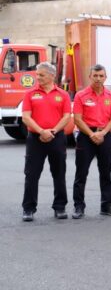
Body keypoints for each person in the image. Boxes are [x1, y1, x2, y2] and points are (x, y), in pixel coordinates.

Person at [21, 62, 71, 222]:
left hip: (56, 137)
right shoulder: (30, 94)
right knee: (31, 174)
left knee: (59, 173)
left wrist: (53, 131)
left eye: (41, 75)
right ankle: (28, 209)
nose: (38, 77)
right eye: (37, 74)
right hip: (35, 139)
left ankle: (60, 207)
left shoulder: (62, 94)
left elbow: (66, 117)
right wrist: (42, 131)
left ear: (51, 76)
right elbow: (26, 117)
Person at [72, 64, 111, 218]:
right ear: (90, 77)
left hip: (105, 135)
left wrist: (104, 133)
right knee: (81, 174)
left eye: (101, 76)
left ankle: (106, 206)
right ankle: (79, 207)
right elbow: (78, 119)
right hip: (86, 136)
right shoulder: (81, 95)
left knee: (106, 173)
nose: (98, 79)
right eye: (95, 76)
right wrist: (91, 134)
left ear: (105, 77)